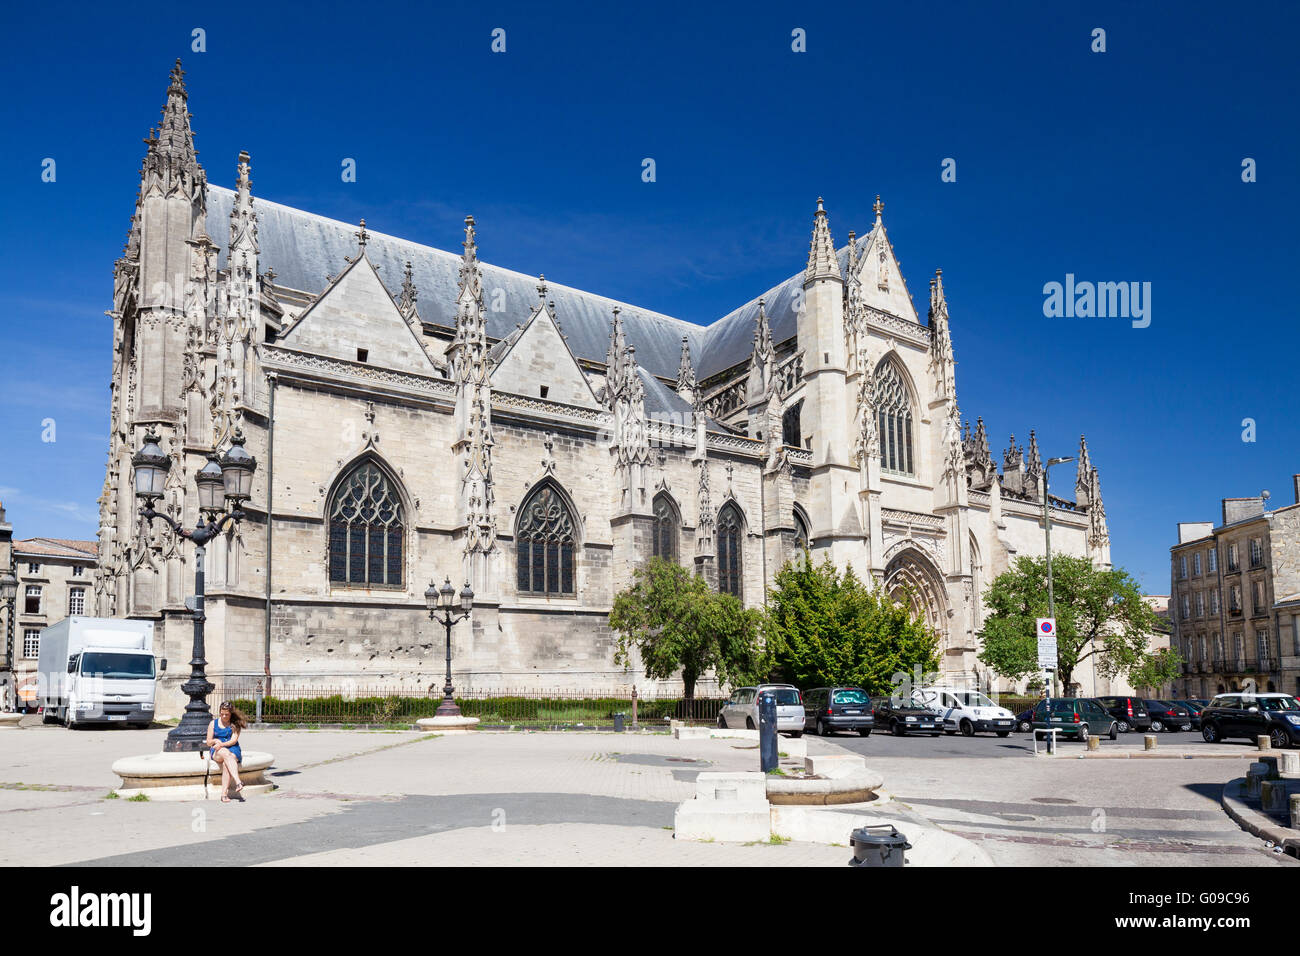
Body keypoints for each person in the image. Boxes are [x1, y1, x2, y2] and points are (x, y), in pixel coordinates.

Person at [205, 701, 247, 802]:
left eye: (226, 714)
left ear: (231, 713)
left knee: (226, 763)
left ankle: (224, 795)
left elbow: (233, 740)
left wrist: (222, 744)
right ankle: (238, 781)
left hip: (232, 748)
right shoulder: (213, 723)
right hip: (217, 750)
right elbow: (208, 742)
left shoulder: (235, 724)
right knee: (225, 753)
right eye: (222, 713)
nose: (224, 716)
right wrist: (215, 741)